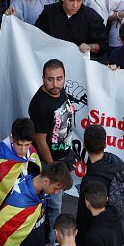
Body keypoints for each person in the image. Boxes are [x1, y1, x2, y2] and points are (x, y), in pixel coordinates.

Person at [28, 59, 76, 228]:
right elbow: (40, 141)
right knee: (55, 207)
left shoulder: (60, 91)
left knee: (56, 203)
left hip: (63, 156)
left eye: (59, 78)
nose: (55, 84)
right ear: (43, 79)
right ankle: (54, 239)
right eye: (50, 79)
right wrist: (54, 168)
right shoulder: (40, 104)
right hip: (51, 163)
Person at [74, 123, 124, 238]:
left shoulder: (89, 180)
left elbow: (82, 216)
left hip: (99, 233)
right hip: (120, 225)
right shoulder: (116, 160)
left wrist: (79, 239)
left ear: (84, 144)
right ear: (105, 144)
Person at [36, 0, 107, 57]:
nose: (75, 5)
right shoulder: (48, 13)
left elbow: (104, 44)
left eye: (79, 0)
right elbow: (36, 36)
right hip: (52, 58)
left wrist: (90, 47)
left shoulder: (92, 17)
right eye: (71, 0)